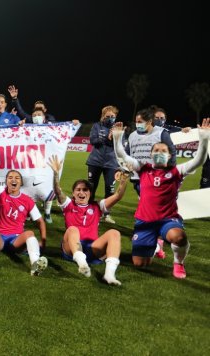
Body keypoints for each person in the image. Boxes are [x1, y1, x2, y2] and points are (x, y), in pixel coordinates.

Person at [112, 119, 210, 279]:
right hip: (144, 222)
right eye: (156, 150)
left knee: (179, 236)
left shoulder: (177, 171)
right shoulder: (143, 168)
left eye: (163, 150)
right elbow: (123, 157)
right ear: (151, 155)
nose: (159, 153)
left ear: (170, 155)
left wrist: (204, 138)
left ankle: (178, 263)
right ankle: (155, 245)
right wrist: (117, 139)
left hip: (168, 220)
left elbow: (198, 161)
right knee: (140, 264)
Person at [49, 155, 129, 285]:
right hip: (72, 248)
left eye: (85, 190)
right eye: (78, 190)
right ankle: (81, 262)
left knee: (114, 233)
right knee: (73, 229)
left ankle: (109, 275)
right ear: (73, 193)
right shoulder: (68, 204)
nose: (81, 193)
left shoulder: (97, 206)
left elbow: (118, 196)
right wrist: (56, 174)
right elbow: (58, 191)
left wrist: (124, 179)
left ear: (90, 193)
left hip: (92, 248)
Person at [0, 148, 48, 275]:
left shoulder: (27, 200)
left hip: (16, 241)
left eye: (16, 178)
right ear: (6, 181)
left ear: (20, 183)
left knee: (29, 233)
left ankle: (35, 265)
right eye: (10, 177)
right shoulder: (1, 193)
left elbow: (40, 221)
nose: (13, 180)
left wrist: (43, 241)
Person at [126, 107, 178, 259]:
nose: (137, 124)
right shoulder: (132, 135)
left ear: (149, 122)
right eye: (136, 122)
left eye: (140, 122)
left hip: (155, 178)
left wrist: (167, 174)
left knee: (153, 210)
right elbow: (128, 154)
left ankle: (157, 241)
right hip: (137, 178)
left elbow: (172, 152)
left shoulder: (161, 133)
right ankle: (157, 241)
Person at [85, 105, 120, 224]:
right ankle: (88, 211)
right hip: (95, 162)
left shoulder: (119, 129)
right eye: (107, 116)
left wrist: (114, 137)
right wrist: (107, 137)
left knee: (110, 190)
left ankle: (106, 214)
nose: (110, 118)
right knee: (91, 188)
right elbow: (93, 141)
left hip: (111, 164)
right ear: (103, 116)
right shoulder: (96, 126)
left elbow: (120, 148)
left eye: (113, 116)